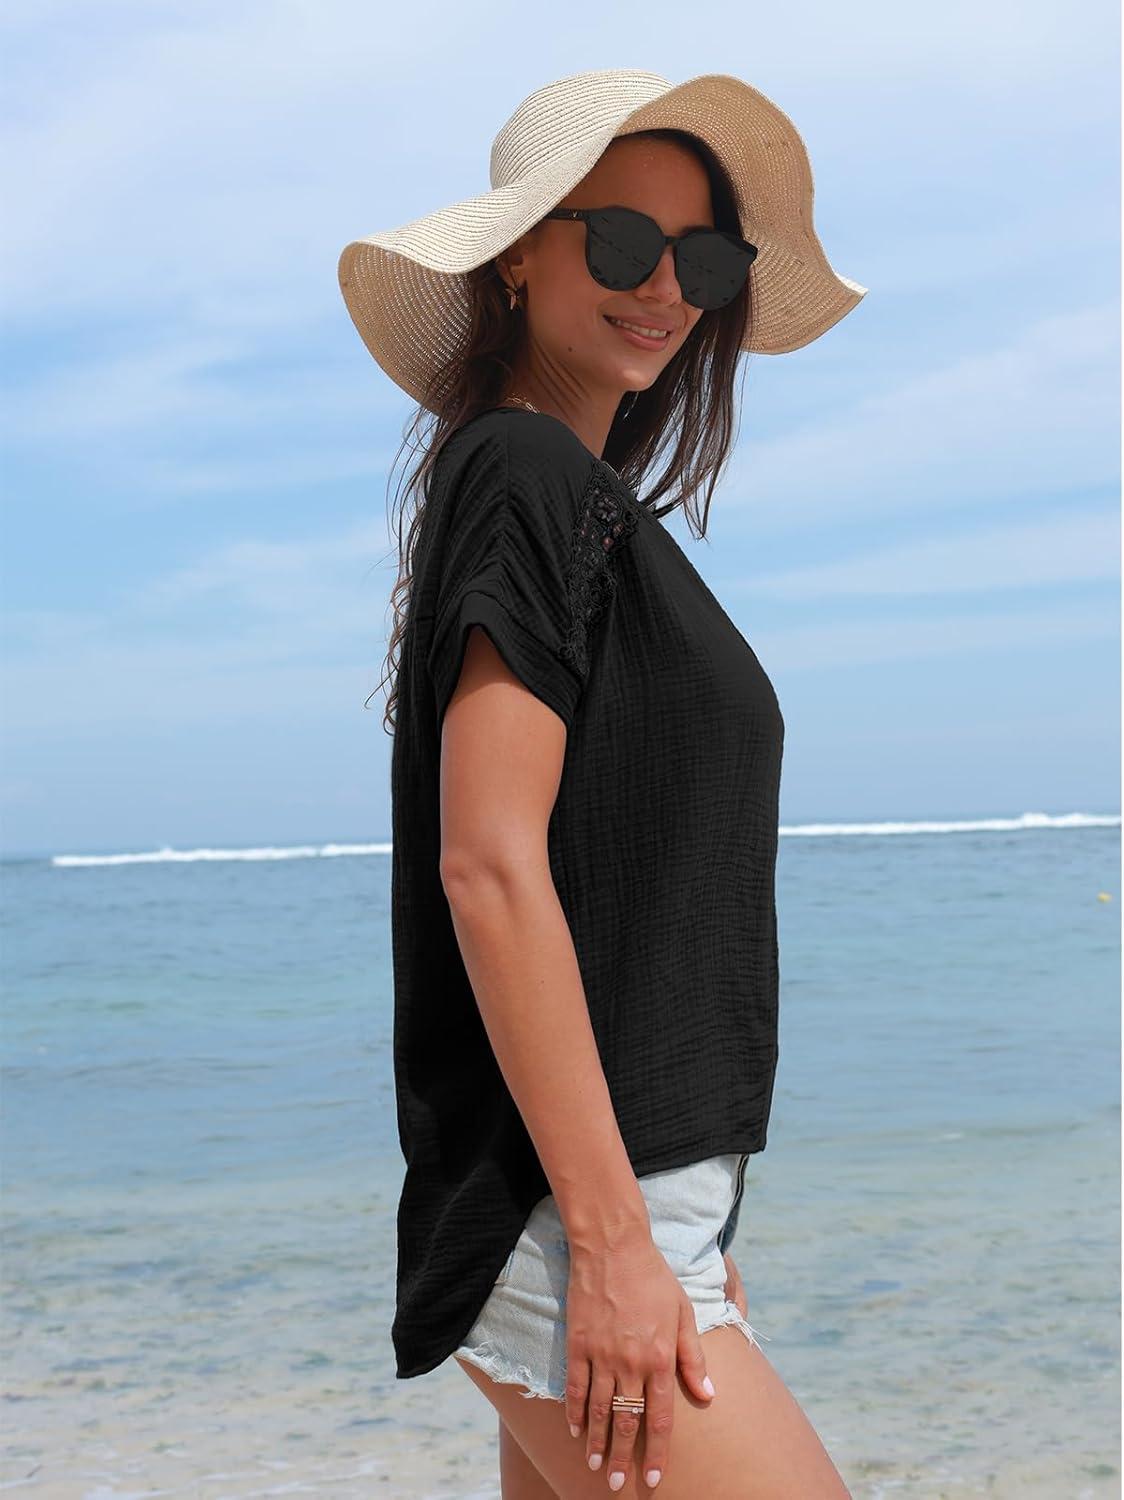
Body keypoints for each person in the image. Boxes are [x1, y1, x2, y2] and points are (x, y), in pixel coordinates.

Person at [338, 68, 864, 1499]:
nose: (666, 289)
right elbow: (489, 865)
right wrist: (618, 1241)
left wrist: (682, 1218)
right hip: (574, 1223)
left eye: (705, 259)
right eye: (624, 242)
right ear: (518, 255)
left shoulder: (576, 502)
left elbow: (612, 881)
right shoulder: (523, 472)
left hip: (618, 1205)